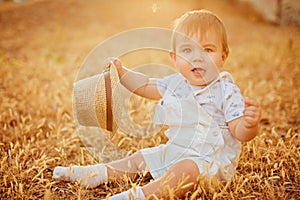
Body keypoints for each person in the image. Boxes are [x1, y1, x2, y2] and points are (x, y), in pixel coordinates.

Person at [53, 10, 261, 199]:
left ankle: (138, 196)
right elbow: (145, 84)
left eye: (208, 50)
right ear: (174, 58)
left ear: (223, 57)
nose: (198, 57)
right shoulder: (175, 83)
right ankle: (96, 173)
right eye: (187, 50)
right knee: (140, 158)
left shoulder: (225, 90)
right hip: (174, 152)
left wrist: (249, 125)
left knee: (185, 170)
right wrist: (122, 72)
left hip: (209, 165)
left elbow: (239, 131)